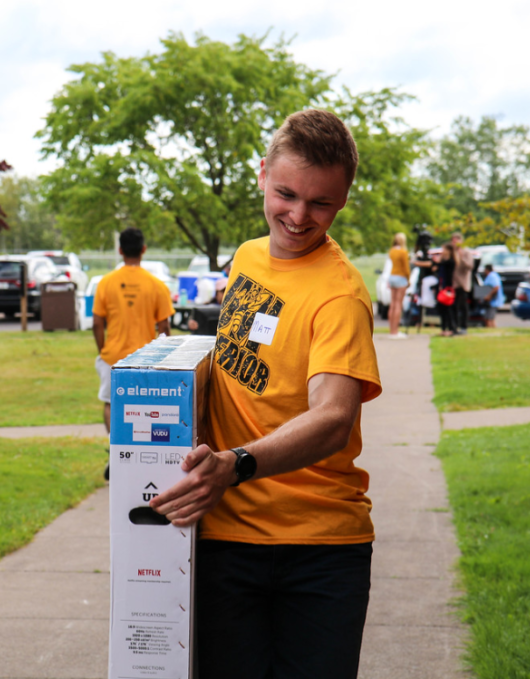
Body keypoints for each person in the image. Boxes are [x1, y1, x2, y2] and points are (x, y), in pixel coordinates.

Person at [150, 109, 381, 679]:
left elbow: (332, 417)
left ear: (343, 201)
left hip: (319, 552)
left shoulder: (340, 298)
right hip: (225, 536)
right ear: (262, 174)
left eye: (321, 203)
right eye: (286, 193)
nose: (299, 216)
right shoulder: (249, 257)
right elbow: (241, 363)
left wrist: (236, 463)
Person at [93, 227, 173, 476]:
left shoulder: (106, 282)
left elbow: (97, 322)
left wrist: (103, 350)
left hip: (113, 355)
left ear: (119, 250)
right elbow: (164, 327)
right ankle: (142, 454)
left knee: (110, 402)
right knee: (145, 404)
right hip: (145, 357)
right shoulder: (156, 285)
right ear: (143, 250)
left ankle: (115, 449)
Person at [387, 232, 410, 338]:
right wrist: (408, 279)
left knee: (392, 304)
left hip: (392, 276)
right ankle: (395, 332)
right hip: (401, 277)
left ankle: (391, 330)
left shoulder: (392, 251)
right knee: (398, 305)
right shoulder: (403, 252)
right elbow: (406, 268)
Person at [451, 232, 474, 335]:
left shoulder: (466, 252)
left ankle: (464, 326)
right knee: (453, 307)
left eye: (456, 241)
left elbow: (469, 266)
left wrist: (461, 256)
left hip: (463, 284)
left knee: (463, 306)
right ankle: (454, 327)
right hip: (453, 284)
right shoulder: (451, 252)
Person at [437, 243, 457, 337]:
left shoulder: (450, 262)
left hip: (448, 288)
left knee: (449, 309)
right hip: (442, 287)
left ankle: (451, 328)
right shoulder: (444, 261)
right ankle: (444, 328)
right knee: (442, 309)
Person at [481, 263, 505, 328]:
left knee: (488, 319)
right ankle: (493, 330)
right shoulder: (493, 275)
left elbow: (496, 287)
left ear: (486, 270)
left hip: (493, 301)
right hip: (492, 301)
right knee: (491, 318)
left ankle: (491, 331)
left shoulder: (492, 276)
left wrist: (489, 296)